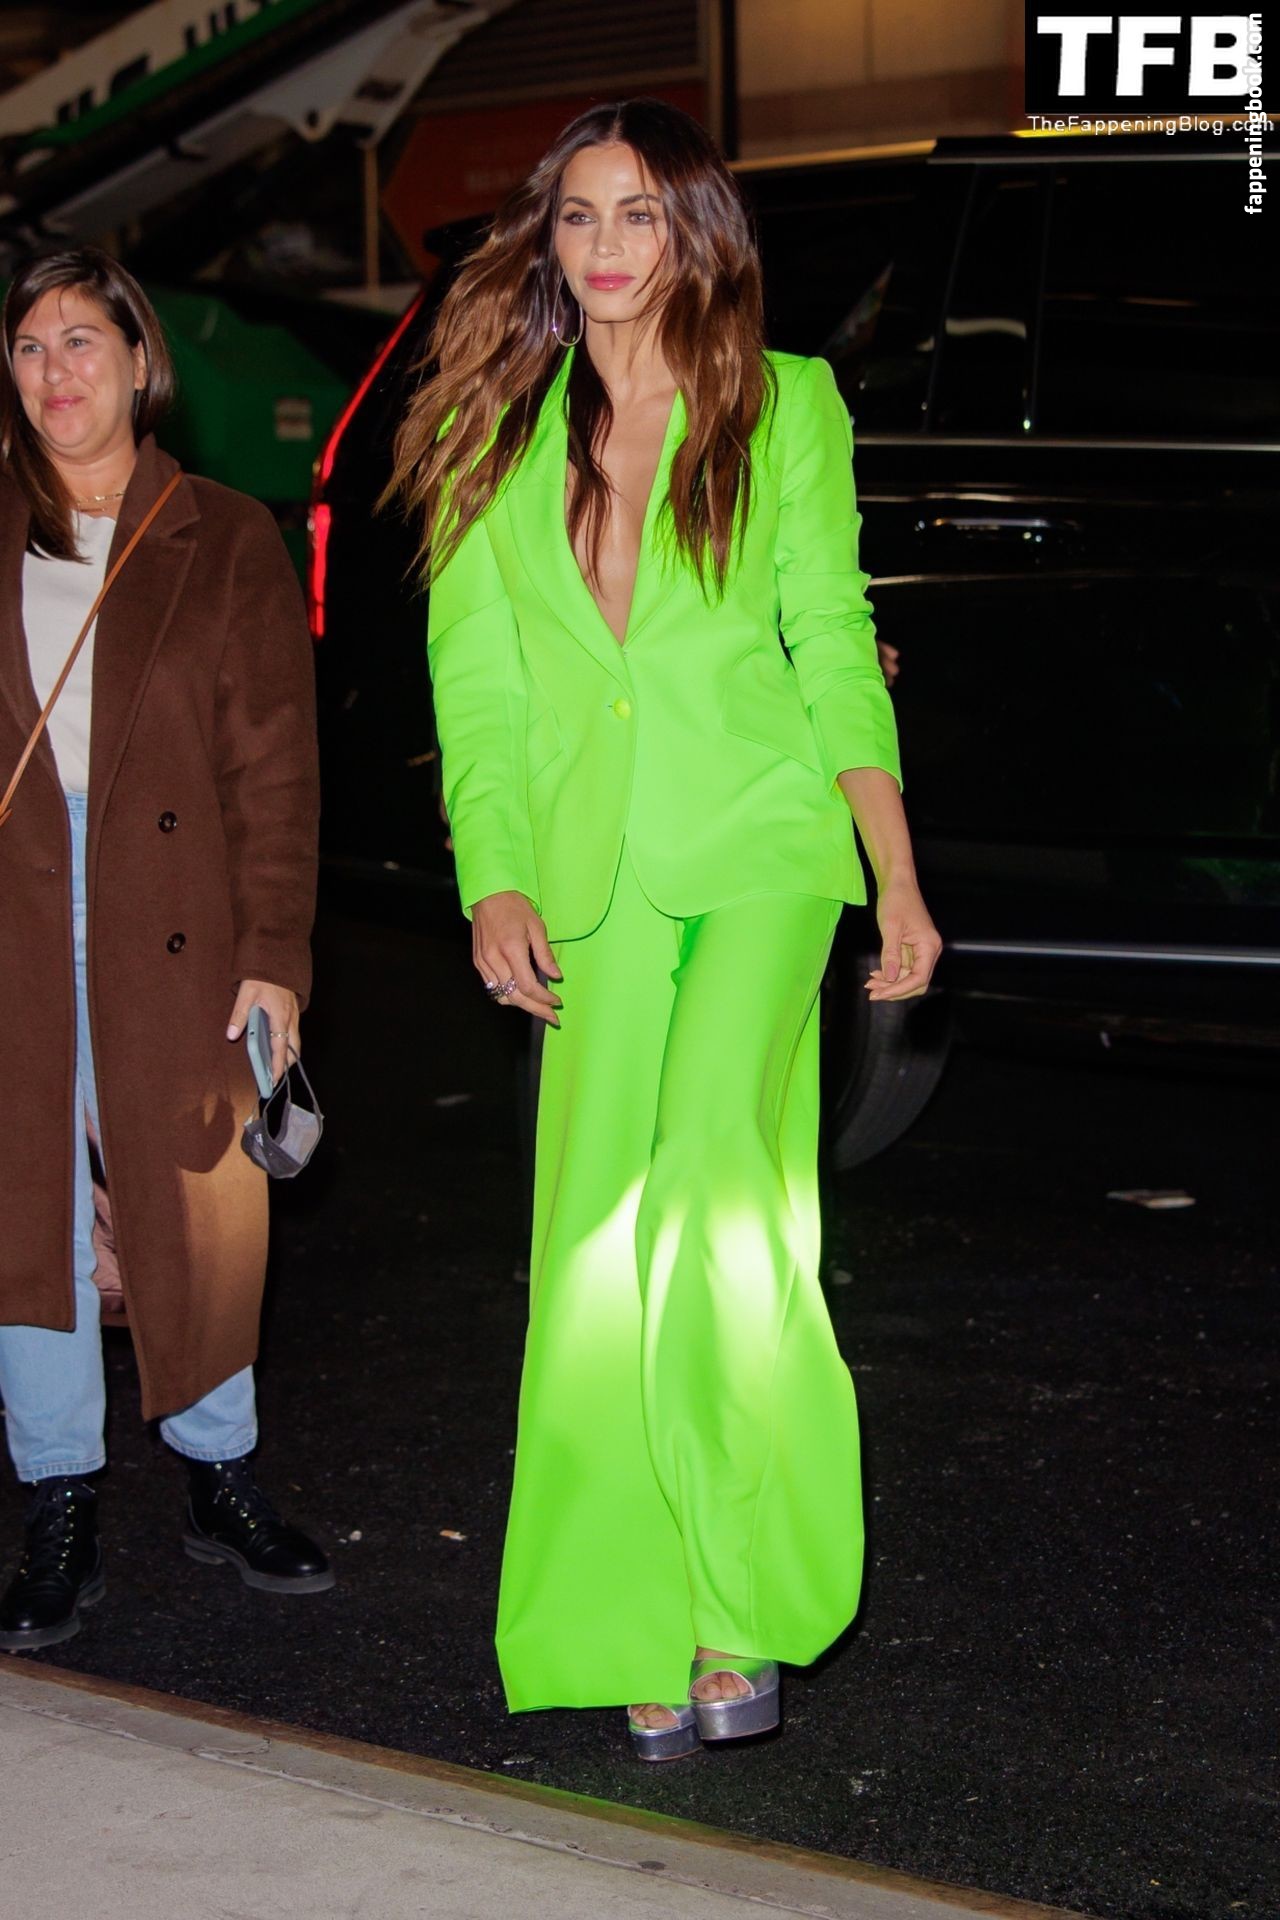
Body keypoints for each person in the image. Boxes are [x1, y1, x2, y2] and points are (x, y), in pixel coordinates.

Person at [388, 99, 942, 1759]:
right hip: (586, 872)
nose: (606, 244)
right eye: (578, 215)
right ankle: (627, 1605)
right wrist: (491, 875)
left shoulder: (787, 406)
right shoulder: (493, 431)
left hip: (765, 845)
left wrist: (895, 869)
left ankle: (738, 1597)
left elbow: (830, 638)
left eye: (638, 212)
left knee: (713, 1193)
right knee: (595, 1240)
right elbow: (479, 686)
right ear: (548, 241)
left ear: (696, 230)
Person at [0, 247, 332, 1653]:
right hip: (19, 902)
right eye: (28, 347)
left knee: (200, 1194)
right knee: (25, 1205)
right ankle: (58, 1497)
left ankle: (218, 1469)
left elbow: (276, 764)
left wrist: (276, 948)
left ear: (142, 362)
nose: (55, 371)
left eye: (81, 340)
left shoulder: (225, 533)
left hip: (174, 898)